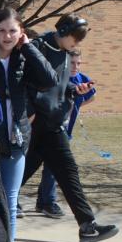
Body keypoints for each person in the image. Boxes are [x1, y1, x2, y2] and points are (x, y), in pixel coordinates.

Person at [21, 15, 119, 242]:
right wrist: (29, 113)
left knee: (67, 173)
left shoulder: (64, 53)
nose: (76, 45)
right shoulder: (37, 47)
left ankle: (88, 226)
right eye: (75, 39)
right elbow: (22, 83)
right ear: (63, 31)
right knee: (17, 177)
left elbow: (60, 87)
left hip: (53, 127)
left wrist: (75, 90)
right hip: (36, 126)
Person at [0, 8, 56, 242]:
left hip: (17, 139)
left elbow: (49, 80)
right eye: (2, 31)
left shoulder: (24, 57)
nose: (7, 36)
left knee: (10, 201)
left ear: (21, 32)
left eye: (13, 31)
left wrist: (29, 47)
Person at [34, 51, 96, 216]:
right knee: (40, 166)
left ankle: (45, 201)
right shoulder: (56, 77)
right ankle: (45, 201)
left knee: (52, 168)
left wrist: (74, 107)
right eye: (72, 63)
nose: (75, 67)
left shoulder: (82, 79)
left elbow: (90, 96)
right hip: (45, 129)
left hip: (64, 131)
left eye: (78, 63)